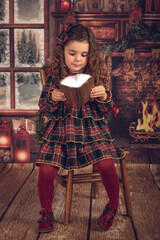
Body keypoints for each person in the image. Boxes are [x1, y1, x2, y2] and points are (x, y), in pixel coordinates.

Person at [36, 23, 125, 233]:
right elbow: (44, 108)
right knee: (46, 170)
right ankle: (46, 211)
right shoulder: (54, 76)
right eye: (72, 53)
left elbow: (106, 109)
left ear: (89, 55)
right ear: (63, 52)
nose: (77, 59)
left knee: (106, 164)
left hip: (91, 130)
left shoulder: (95, 75)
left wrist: (103, 95)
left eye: (83, 54)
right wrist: (52, 97)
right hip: (60, 131)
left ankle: (112, 205)